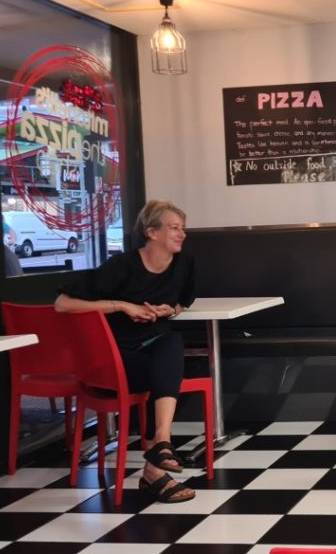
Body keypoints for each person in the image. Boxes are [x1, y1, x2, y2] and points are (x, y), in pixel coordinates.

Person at [54, 199, 196, 504]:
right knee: (169, 364)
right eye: (174, 228)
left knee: (171, 344)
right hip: (114, 359)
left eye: (182, 228)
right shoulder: (122, 266)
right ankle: (158, 458)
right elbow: (63, 304)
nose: (181, 234)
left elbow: (184, 301)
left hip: (151, 354)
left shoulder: (184, 264)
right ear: (151, 232)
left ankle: (160, 450)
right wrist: (120, 305)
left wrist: (169, 309)